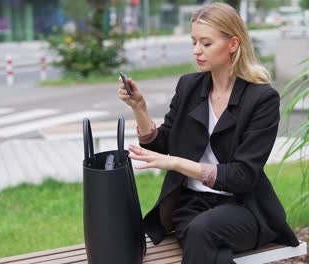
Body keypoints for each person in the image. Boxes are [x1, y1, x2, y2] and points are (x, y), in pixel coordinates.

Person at [118, 3, 299, 263]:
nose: (196, 51)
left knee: (202, 232)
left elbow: (242, 176)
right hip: (191, 205)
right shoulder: (189, 87)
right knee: (205, 240)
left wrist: (178, 163)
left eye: (206, 43)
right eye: (194, 42)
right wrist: (140, 109)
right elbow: (161, 144)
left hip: (244, 207)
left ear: (233, 44)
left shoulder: (262, 99)